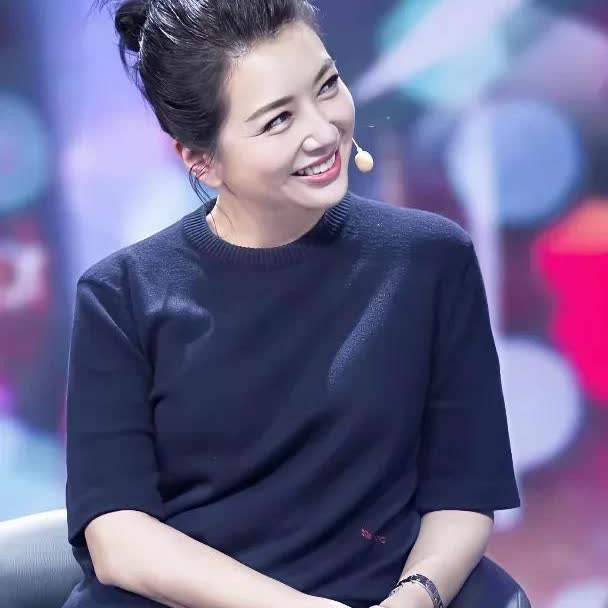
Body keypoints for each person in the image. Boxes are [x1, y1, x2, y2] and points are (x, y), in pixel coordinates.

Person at [62, 1, 522, 608]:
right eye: (278, 119)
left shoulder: (430, 259)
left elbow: (461, 493)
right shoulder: (121, 295)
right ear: (200, 159)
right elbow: (118, 536)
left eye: (326, 86)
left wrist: (415, 597)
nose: (324, 131)